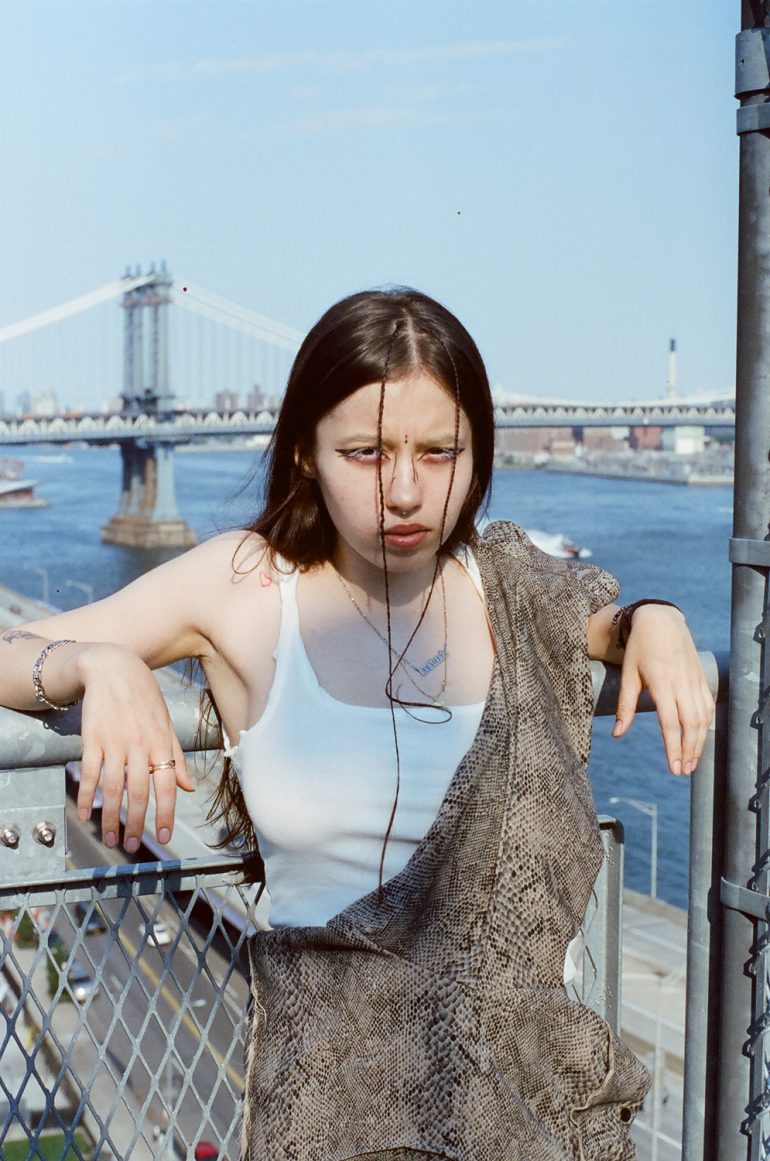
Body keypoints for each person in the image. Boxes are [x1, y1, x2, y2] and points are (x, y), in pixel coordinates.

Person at [0, 288, 714, 1160]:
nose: (405, 491)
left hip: (531, 1118)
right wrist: (93, 662)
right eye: (366, 452)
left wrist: (658, 618)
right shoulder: (246, 585)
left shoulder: (510, 588)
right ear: (306, 450)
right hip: (332, 1118)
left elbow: (603, 620)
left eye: (440, 451)